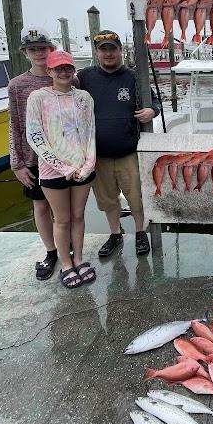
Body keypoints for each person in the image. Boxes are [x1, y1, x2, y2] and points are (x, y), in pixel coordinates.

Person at [77, 30, 160, 258]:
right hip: (98, 155)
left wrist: (152, 110)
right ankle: (115, 233)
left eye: (113, 49)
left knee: (136, 196)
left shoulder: (133, 77)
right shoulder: (84, 77)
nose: (109, 54)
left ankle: (140, 231)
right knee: (107, 199)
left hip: (128, 153)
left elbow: (155, 101)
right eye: (104, 50)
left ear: (120, 51)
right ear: (97, 52)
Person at [26, 50, 96, 289]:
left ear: (73, 69)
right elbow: (35, 136)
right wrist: (61, 166)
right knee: (62, 219)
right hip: (52, 171)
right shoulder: (37, 97)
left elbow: (90, 134)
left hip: (82, 170)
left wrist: (87, 166)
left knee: (78, 216)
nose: (64, 72)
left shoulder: (85, 98)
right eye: (58, 68)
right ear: (49, 71)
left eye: (67, 67)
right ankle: (65, 263)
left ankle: (79, 258)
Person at [8, 26, 58, 280]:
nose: (39, 53)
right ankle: (51, 252)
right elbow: (15, 124)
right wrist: (16, 163)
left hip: (64, 157)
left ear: (51, 50)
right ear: (25, 53)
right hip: (33, 157)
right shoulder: (17, 85)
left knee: (65, 210)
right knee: (40, 205)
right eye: (33, 49)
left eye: (43, 48)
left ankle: (68, 247)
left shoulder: (64, 77)